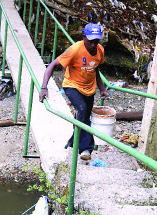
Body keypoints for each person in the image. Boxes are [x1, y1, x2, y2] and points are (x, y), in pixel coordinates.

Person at [39, 23, 108, 160]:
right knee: (81, 110)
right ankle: (86, 150)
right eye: (90, 42)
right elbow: (53, 64)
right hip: (72, 85)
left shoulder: (100, 50)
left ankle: (72, 142)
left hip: (89, 89)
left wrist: (102, 88)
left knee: (83, 117)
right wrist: (44, 87)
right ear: (84, 38)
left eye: (96, 41)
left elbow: (96, 70)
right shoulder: (75, 50)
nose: (93, 45)